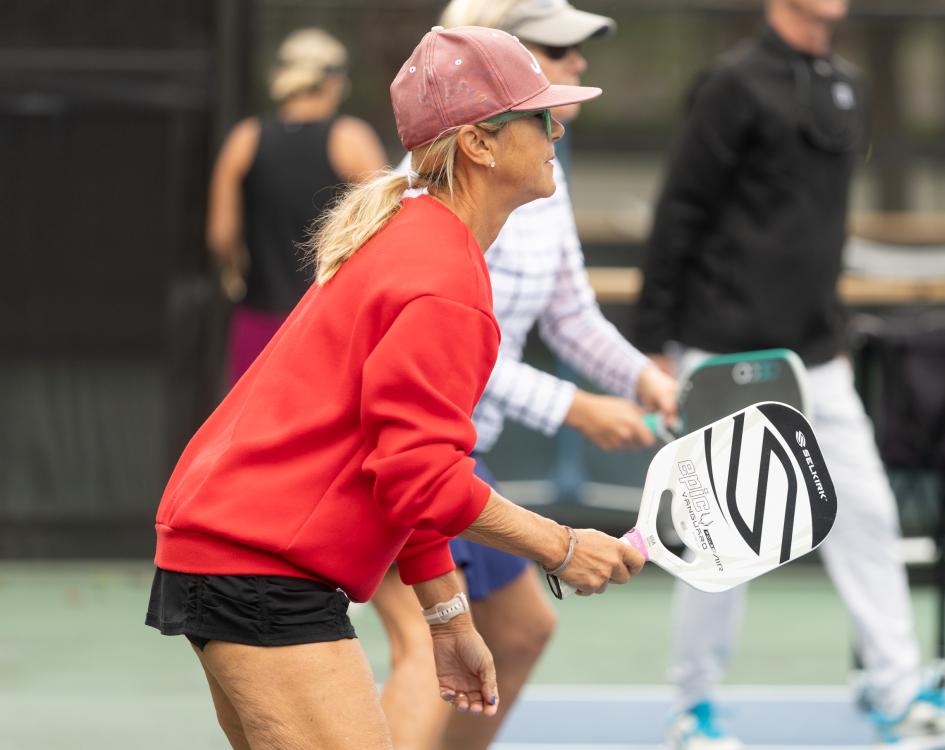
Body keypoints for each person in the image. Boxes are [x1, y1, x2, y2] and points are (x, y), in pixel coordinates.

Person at [146, 26, 644, 750]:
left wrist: (449, 619)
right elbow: (421, 479)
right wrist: (561, 546)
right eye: (539, 115)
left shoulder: (418, 237)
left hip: (231, 550)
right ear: (478, 144)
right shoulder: (442, 277)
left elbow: (403, 467)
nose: (555, 129)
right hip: (258, 564)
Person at [634, 1, 945, 748]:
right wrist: (653, 342)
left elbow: (815, 229)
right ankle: (694, 711)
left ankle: (899, 701)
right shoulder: (731, 87)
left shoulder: (847, 88)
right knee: (722, 540)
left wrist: (830, 334)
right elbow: (679, 211)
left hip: (817, 356)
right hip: (725, 351)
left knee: (867, 514)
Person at [372, 4, 679, 749]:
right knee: (427, 645)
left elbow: (569, 314)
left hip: (455, 457)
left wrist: (646, 380)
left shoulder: (540, 177)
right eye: (557, 50)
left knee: (521, 631)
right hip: (402, 462)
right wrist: (573, 408)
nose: (577, 67)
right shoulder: (431, 213)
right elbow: (452, 360)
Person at [206, 28, 386, 384]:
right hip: (330, 323)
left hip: (258, 319)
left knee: (252, 432)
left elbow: (221, 235)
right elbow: (385, 230)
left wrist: (235, 274)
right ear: (333, 81)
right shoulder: (351, 139)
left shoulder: (245, 139)